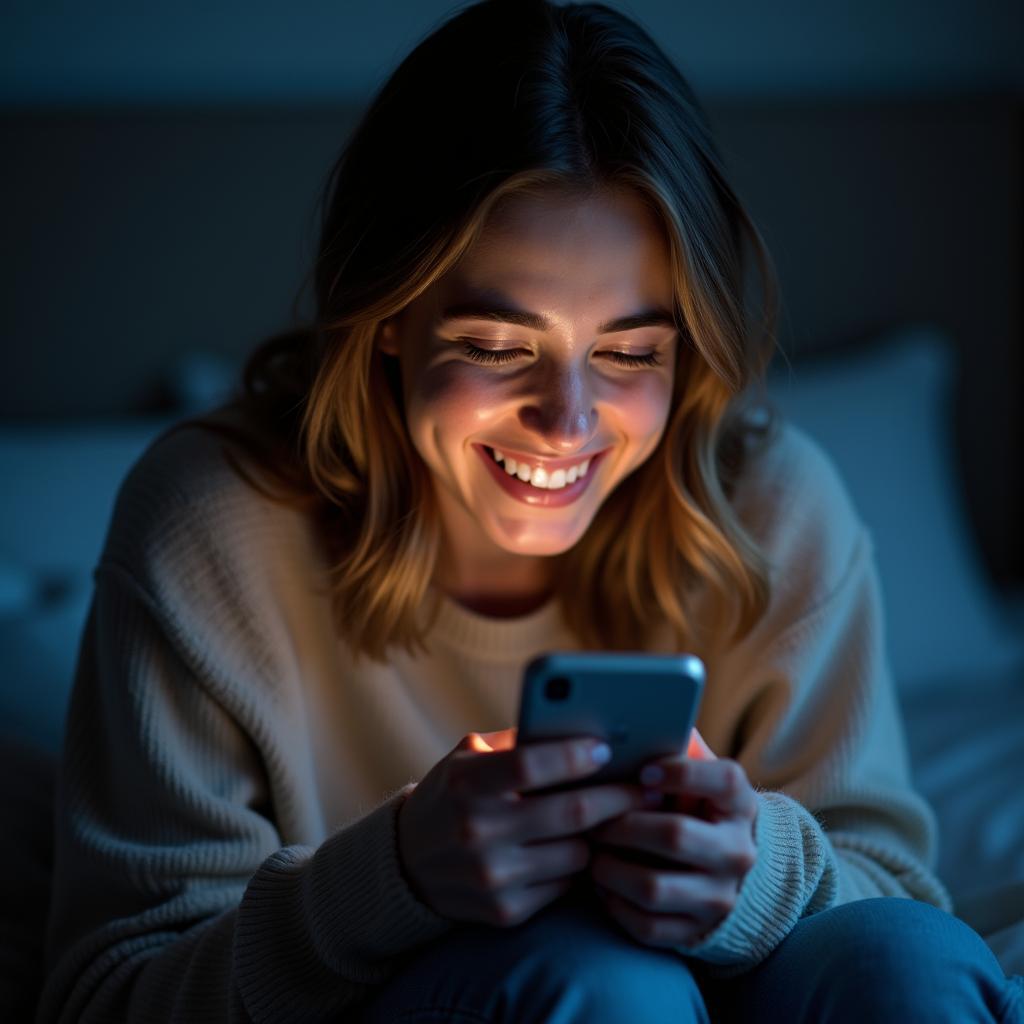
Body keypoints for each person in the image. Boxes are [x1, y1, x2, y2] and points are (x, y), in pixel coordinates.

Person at [36, 1, 1024, 1021]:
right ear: (387, 319)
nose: (566, 420)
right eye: (497, 347)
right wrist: (391, 881)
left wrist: (759, 878)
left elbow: (900, 893)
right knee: (600, 982)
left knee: (908, 959)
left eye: (631, 353)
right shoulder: (216, 527)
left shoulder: (774, 505)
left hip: (748, 980)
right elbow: (110, 993)